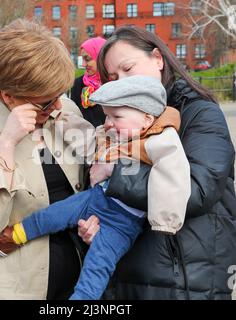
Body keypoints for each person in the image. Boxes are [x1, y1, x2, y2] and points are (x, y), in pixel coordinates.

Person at [0, 75, 191, 300]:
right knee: (56, 213)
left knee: (97, 267)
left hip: (123, 223)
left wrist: (165, 223)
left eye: (116, 116)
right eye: (107, 115)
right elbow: (89, 137)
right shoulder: (118, 130)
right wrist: (63, 121)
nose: (108, 122)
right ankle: (15, 235)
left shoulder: (161, 141)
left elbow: (175, 179)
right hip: (96, 197)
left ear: (147, 119)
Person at [79, 25, 236, 300]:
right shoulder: (117, 119)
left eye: (129, 68)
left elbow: (197, 189)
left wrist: (114, 175)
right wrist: (97, 223)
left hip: (184, 276)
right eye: (113, 77)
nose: (122, 81)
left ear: (158, 59)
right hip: (128, 268)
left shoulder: (199, 112)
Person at [0, 19, 96, 300]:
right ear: (9, 97)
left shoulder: (64, 108)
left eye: (59, 95)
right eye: (45, 102)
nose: (56, 105)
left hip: (81, 276)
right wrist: (6, 143)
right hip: (14, 285)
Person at [71, 37, 106, 127]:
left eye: (87, 59)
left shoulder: (113, 84)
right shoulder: (78, 84)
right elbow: (73, 116)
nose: (83, 64)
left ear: (101, 58)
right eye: (82, 59)